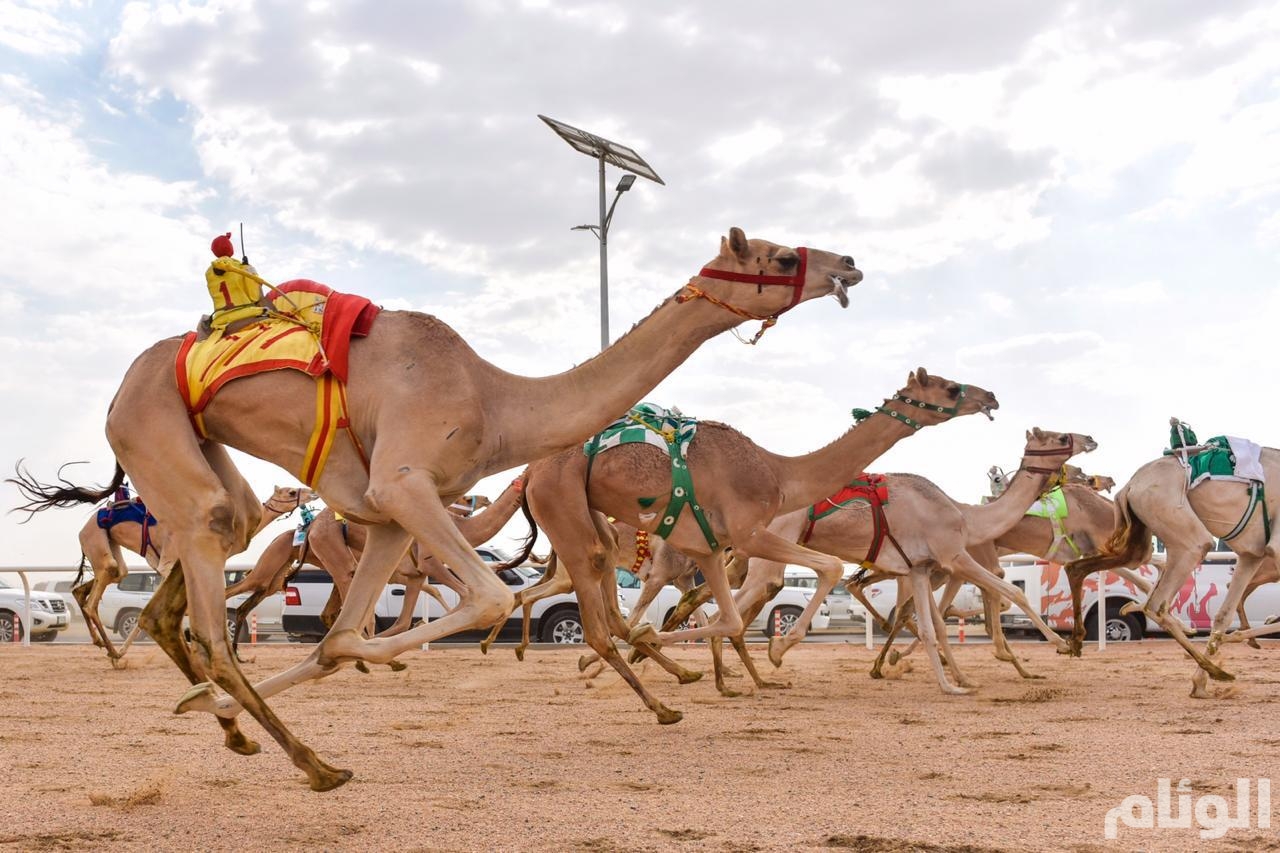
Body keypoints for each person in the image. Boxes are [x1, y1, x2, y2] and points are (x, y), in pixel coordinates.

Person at [204, 232, 271, 331]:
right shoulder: (240, 266)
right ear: (230, 248)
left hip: (220, 319)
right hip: (245, 313)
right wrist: (247, 267)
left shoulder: (209, 272)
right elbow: (255, 296)